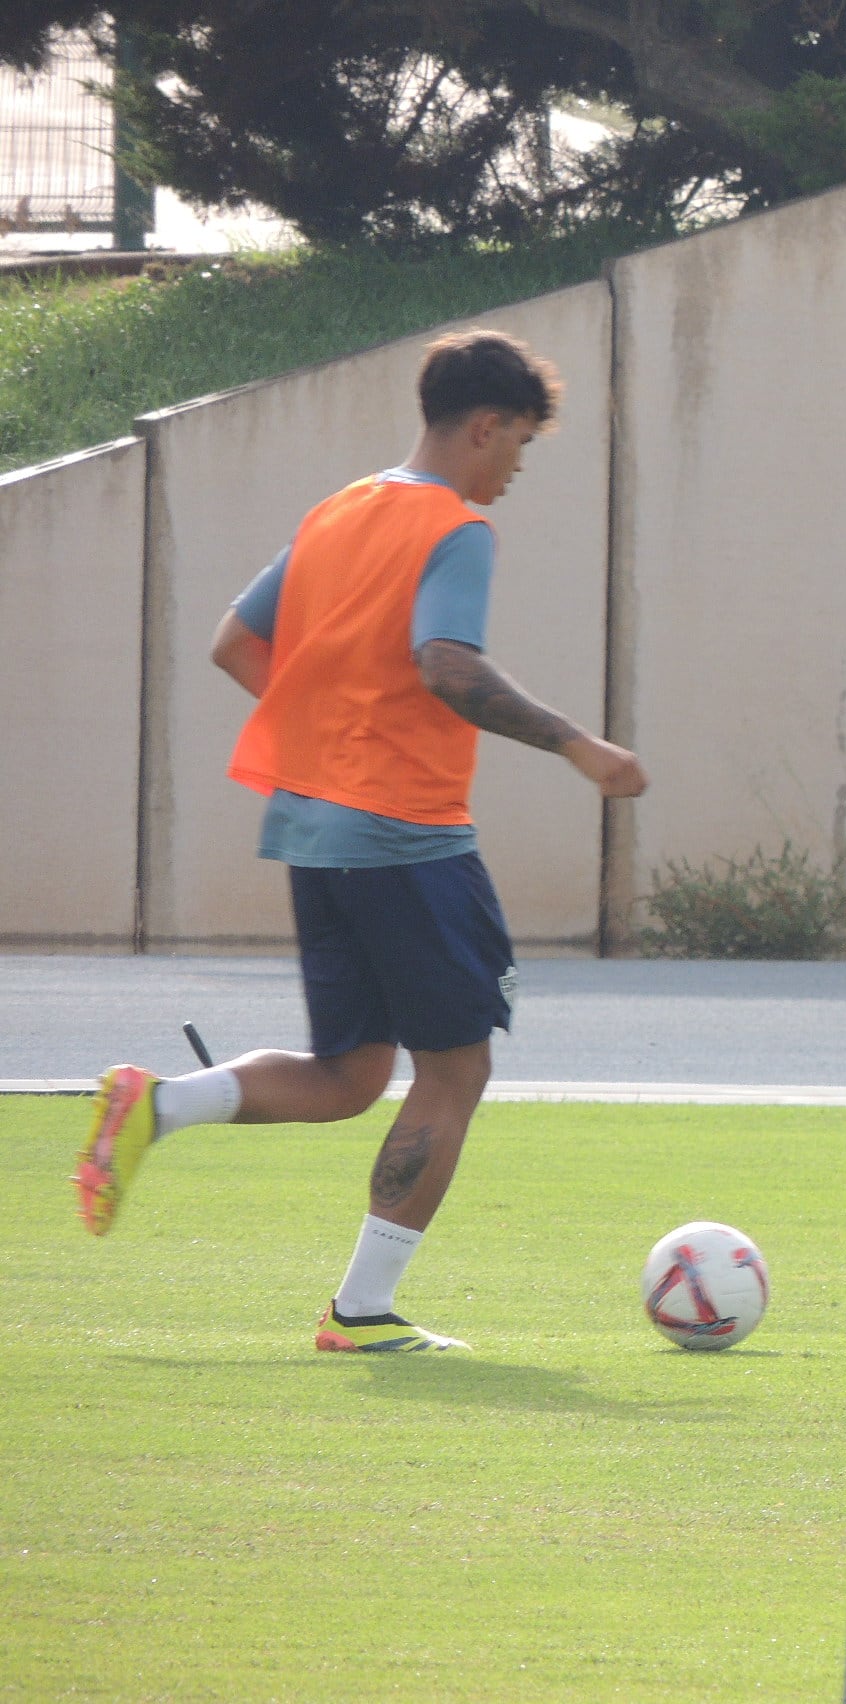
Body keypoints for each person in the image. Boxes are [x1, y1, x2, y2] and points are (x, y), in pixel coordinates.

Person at [73, 330, 649, 1350]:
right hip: (406, 836)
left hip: (313, 828)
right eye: (518, 440)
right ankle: (363, 1312)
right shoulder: (453, 530)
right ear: (484, 426)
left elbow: (235, 642)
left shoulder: (340, 510)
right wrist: (576, 745)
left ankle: (152, 1106)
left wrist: (330, 735)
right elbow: (446, 663)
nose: (517, 463)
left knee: (349, 1077)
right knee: (453, 1073)